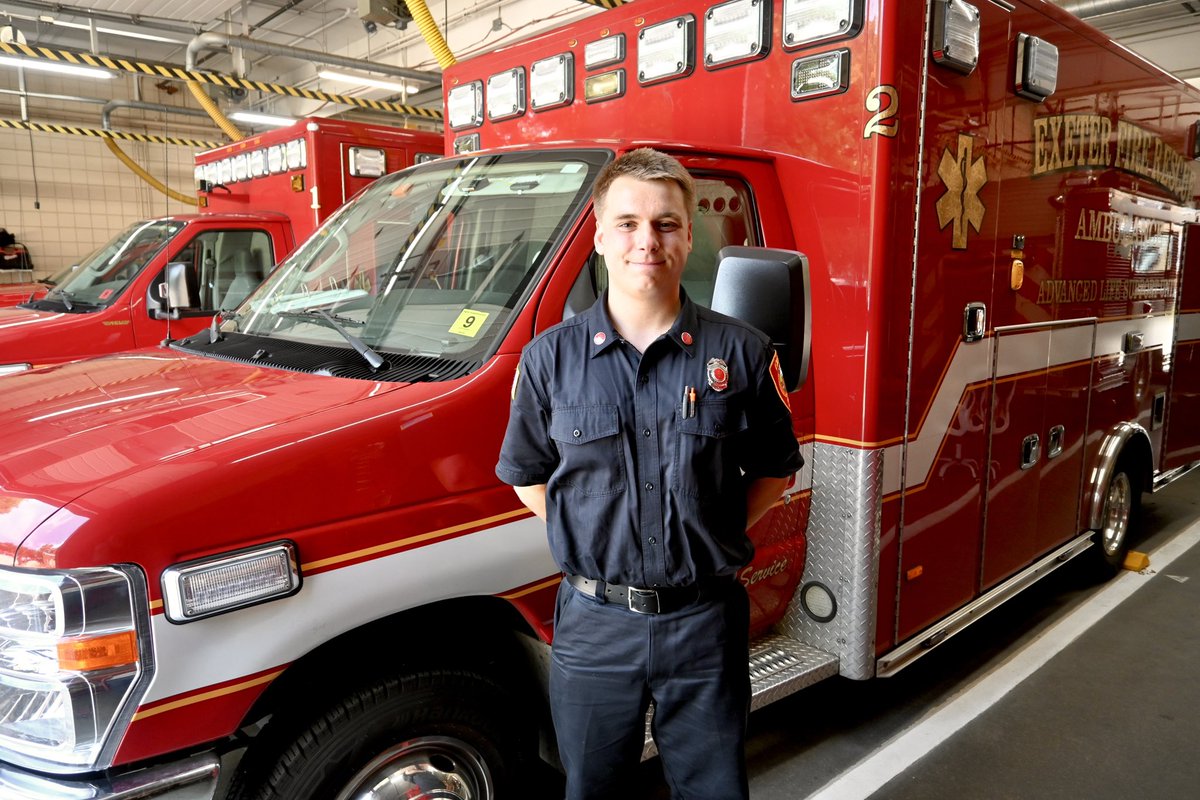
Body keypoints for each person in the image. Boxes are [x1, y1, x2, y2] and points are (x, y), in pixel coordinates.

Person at [496, 148, 802, 800]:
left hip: (705, 625)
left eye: (666, 223)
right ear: (601, 237)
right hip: (594, 626)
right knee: (593, 789)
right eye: (628, 223)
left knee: (716, 790)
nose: (647, 240)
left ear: (690, 235)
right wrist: (591, 534)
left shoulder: (741, 353)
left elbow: (775, 471)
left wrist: (711, 533)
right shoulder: (549, 360)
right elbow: (527, 475)